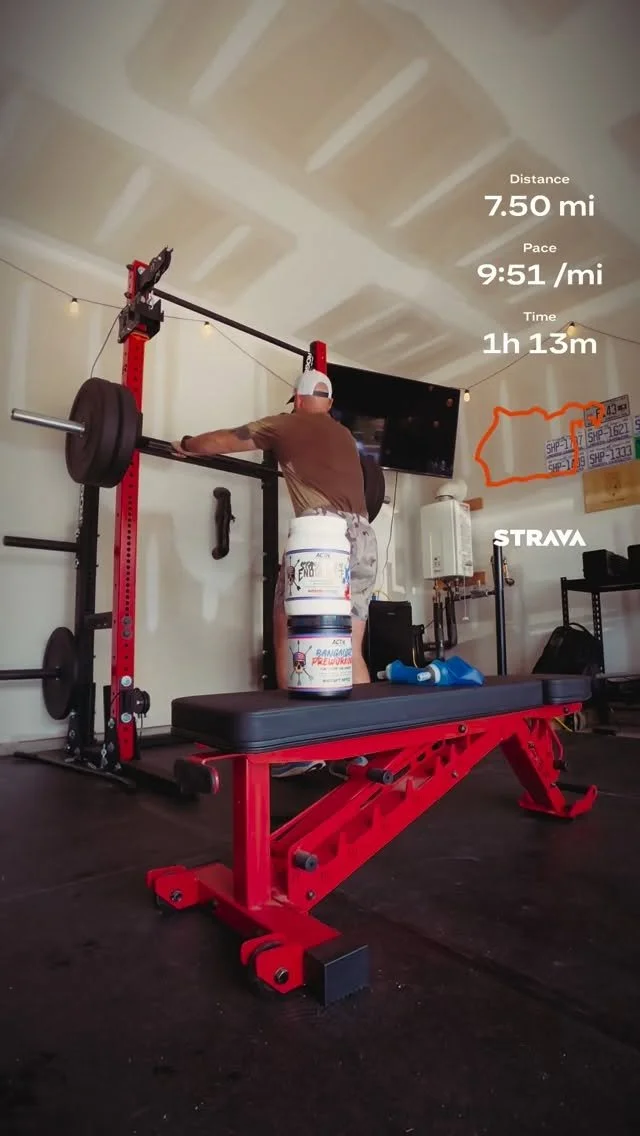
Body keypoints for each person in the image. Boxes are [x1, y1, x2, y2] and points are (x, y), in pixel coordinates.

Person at [172, 369, 378, 777]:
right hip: (364, 537)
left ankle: (297, 748)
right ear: (329, 403)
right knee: (349, 646)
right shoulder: (343, 436)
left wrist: (186, 445)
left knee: (291, 632)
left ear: (297, 399)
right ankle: (360, 749)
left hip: (322, 538)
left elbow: (223, 440)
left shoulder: (286, 424)